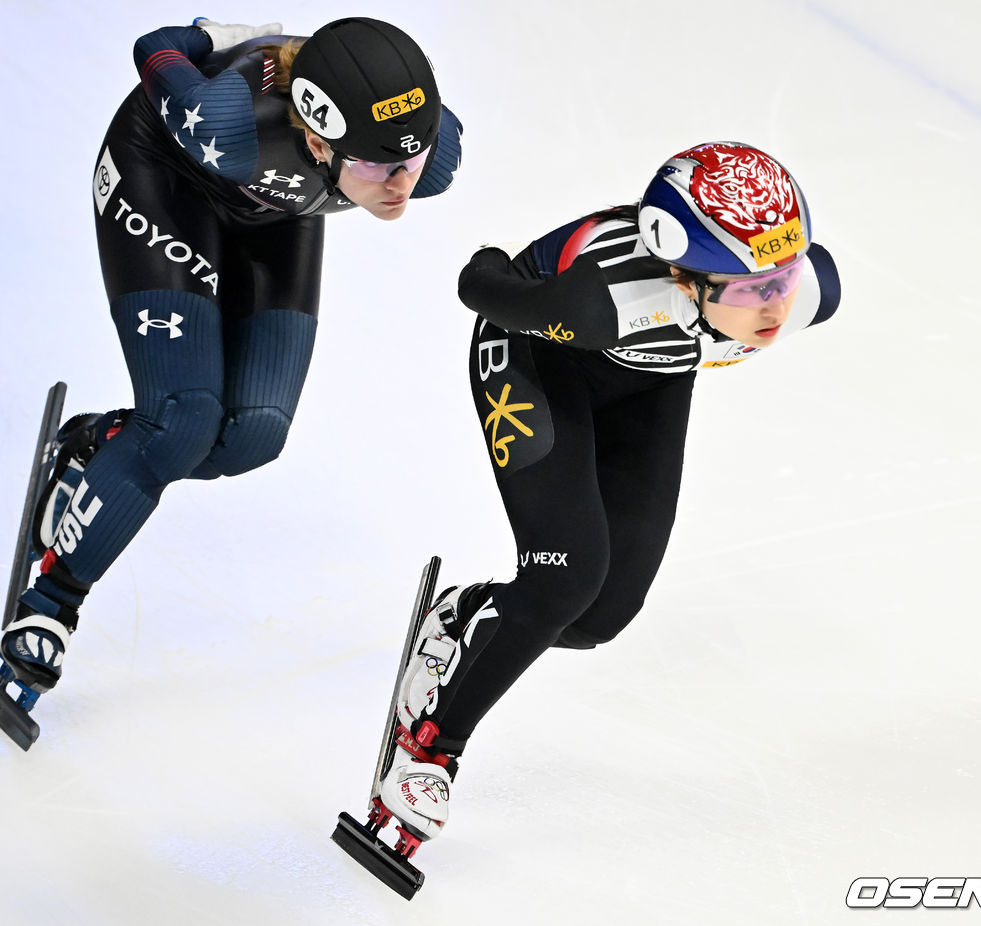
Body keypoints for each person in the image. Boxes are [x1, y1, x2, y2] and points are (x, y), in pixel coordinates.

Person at [371, 141, 841, 843]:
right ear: (685, 277)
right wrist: (501, 259)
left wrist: (767, 284)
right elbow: (478, 288)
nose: (776, 305)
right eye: (750, 290)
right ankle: (431, 749)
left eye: (784, 278)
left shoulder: (809, 296)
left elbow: (777, 287)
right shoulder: (607, 298)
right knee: (566, 578)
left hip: (647, 376)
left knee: (601, 615)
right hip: (540, 351)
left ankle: (473, 615)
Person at [1, 18, 462, 705]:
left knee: (255, 434)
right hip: (165, 175)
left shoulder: (432, 156)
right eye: (374, 165)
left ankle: (96, 452)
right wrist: (216, 37)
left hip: (277, 210)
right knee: (182, 421)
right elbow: (152, 47)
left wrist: (380, 159)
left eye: (410, 160)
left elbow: (403, 152)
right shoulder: (226, 119)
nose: (399, 184)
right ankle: (52, 602)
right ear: (313, 137)